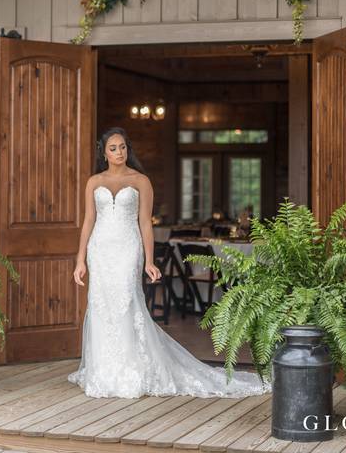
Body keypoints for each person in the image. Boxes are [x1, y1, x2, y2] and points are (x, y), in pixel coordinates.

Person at [67, 127, 269, 399]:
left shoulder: (140, 181)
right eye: (113, 148)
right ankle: (103, 371)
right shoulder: (93, 182)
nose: (119, 152)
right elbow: (89, 221)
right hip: (100, 249)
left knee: (126, 301)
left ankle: (131, 371)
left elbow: (145, 224)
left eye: (123, 147)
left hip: (128, 248)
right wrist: (81, 259)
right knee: (102, 304)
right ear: (103, 152)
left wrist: (149, 261)